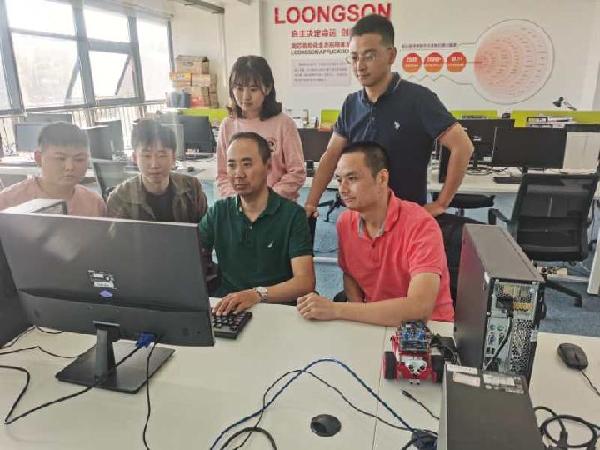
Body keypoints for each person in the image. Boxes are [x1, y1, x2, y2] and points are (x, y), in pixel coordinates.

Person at [304, 14, 473, 218]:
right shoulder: (351, 104)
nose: (360, 66)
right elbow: (331, 155)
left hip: (405, 219)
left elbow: (463, 146)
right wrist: (311, 202)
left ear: (391, 56)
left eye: (369, 56)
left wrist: (441, 203)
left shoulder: (419, 99)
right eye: (355, 57)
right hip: (360, 218)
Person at [298, 142, 454, 326]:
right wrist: (357, 318)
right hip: (375, 320)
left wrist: (337, 309)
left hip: (428, 327)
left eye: (352, 178)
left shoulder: (421, 225)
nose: (343, 189)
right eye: (339, 180)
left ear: (382, 178)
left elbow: (419, 309)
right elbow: (350, 275)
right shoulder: (345, 222)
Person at [201, 131, 315, 315]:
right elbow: (190, 255)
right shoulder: (218, 212)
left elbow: (305, 281)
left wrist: (257, 294)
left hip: (278, 308)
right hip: (229, 308)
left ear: (268, 166)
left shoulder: (292, 215)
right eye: (231, 165)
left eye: (247, 164)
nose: (238, 174)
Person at [216, 55, 306, 201]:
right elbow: (222, 175)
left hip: (277, 204)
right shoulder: (227, 125)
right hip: (240, 206)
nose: (245, 96)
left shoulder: (284, 124)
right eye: (239, 88)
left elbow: (297, 172)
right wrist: (239, 200)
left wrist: (267, 199)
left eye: (253, 89)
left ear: (268, 88)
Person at [107, 119, 207, 222]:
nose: (154, 165)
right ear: (135, 158)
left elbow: (206, 230)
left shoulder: (192, 189)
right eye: (147, 156)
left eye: (161, 155)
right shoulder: (119, 199)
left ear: (173, 157)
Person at [0, 122, 106, 216]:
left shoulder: (94, 203)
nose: (70, 167)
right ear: (39, 158)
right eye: (60, 158)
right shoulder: (8, 201)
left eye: (79, 159)